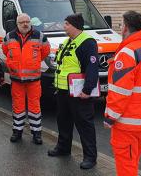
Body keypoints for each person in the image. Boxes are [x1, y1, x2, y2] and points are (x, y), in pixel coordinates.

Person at [104, 11, 141, 176]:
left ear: (125, 27)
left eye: (121, 24)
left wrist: (110, 117)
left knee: (126, 167)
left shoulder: (127, 53)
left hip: (128, 123)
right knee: (133, 161)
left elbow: (120, 91)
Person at [48, 13, 99, 170]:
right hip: (63, 91)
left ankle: (90, 157)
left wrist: (87, 89)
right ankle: (63, 148)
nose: (64, 27)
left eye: (66, 24)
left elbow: (92, 67)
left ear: (75, 25)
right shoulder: (66, 42)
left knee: (84, 124)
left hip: (79, 92)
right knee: (63, 121)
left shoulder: (87, 43)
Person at [2, 13, 50, 144]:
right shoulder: (9, 37)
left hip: (34, 80)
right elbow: (5, 50)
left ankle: (37, 133)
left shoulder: (40, 36)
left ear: (30, 22)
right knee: (18, 107)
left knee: (35, 107)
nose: (25, 24)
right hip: (17, 80)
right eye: (22, 22)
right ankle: (17, 131)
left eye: (27, 21)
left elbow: (45, 52)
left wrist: (31, 63)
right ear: (17, 24)